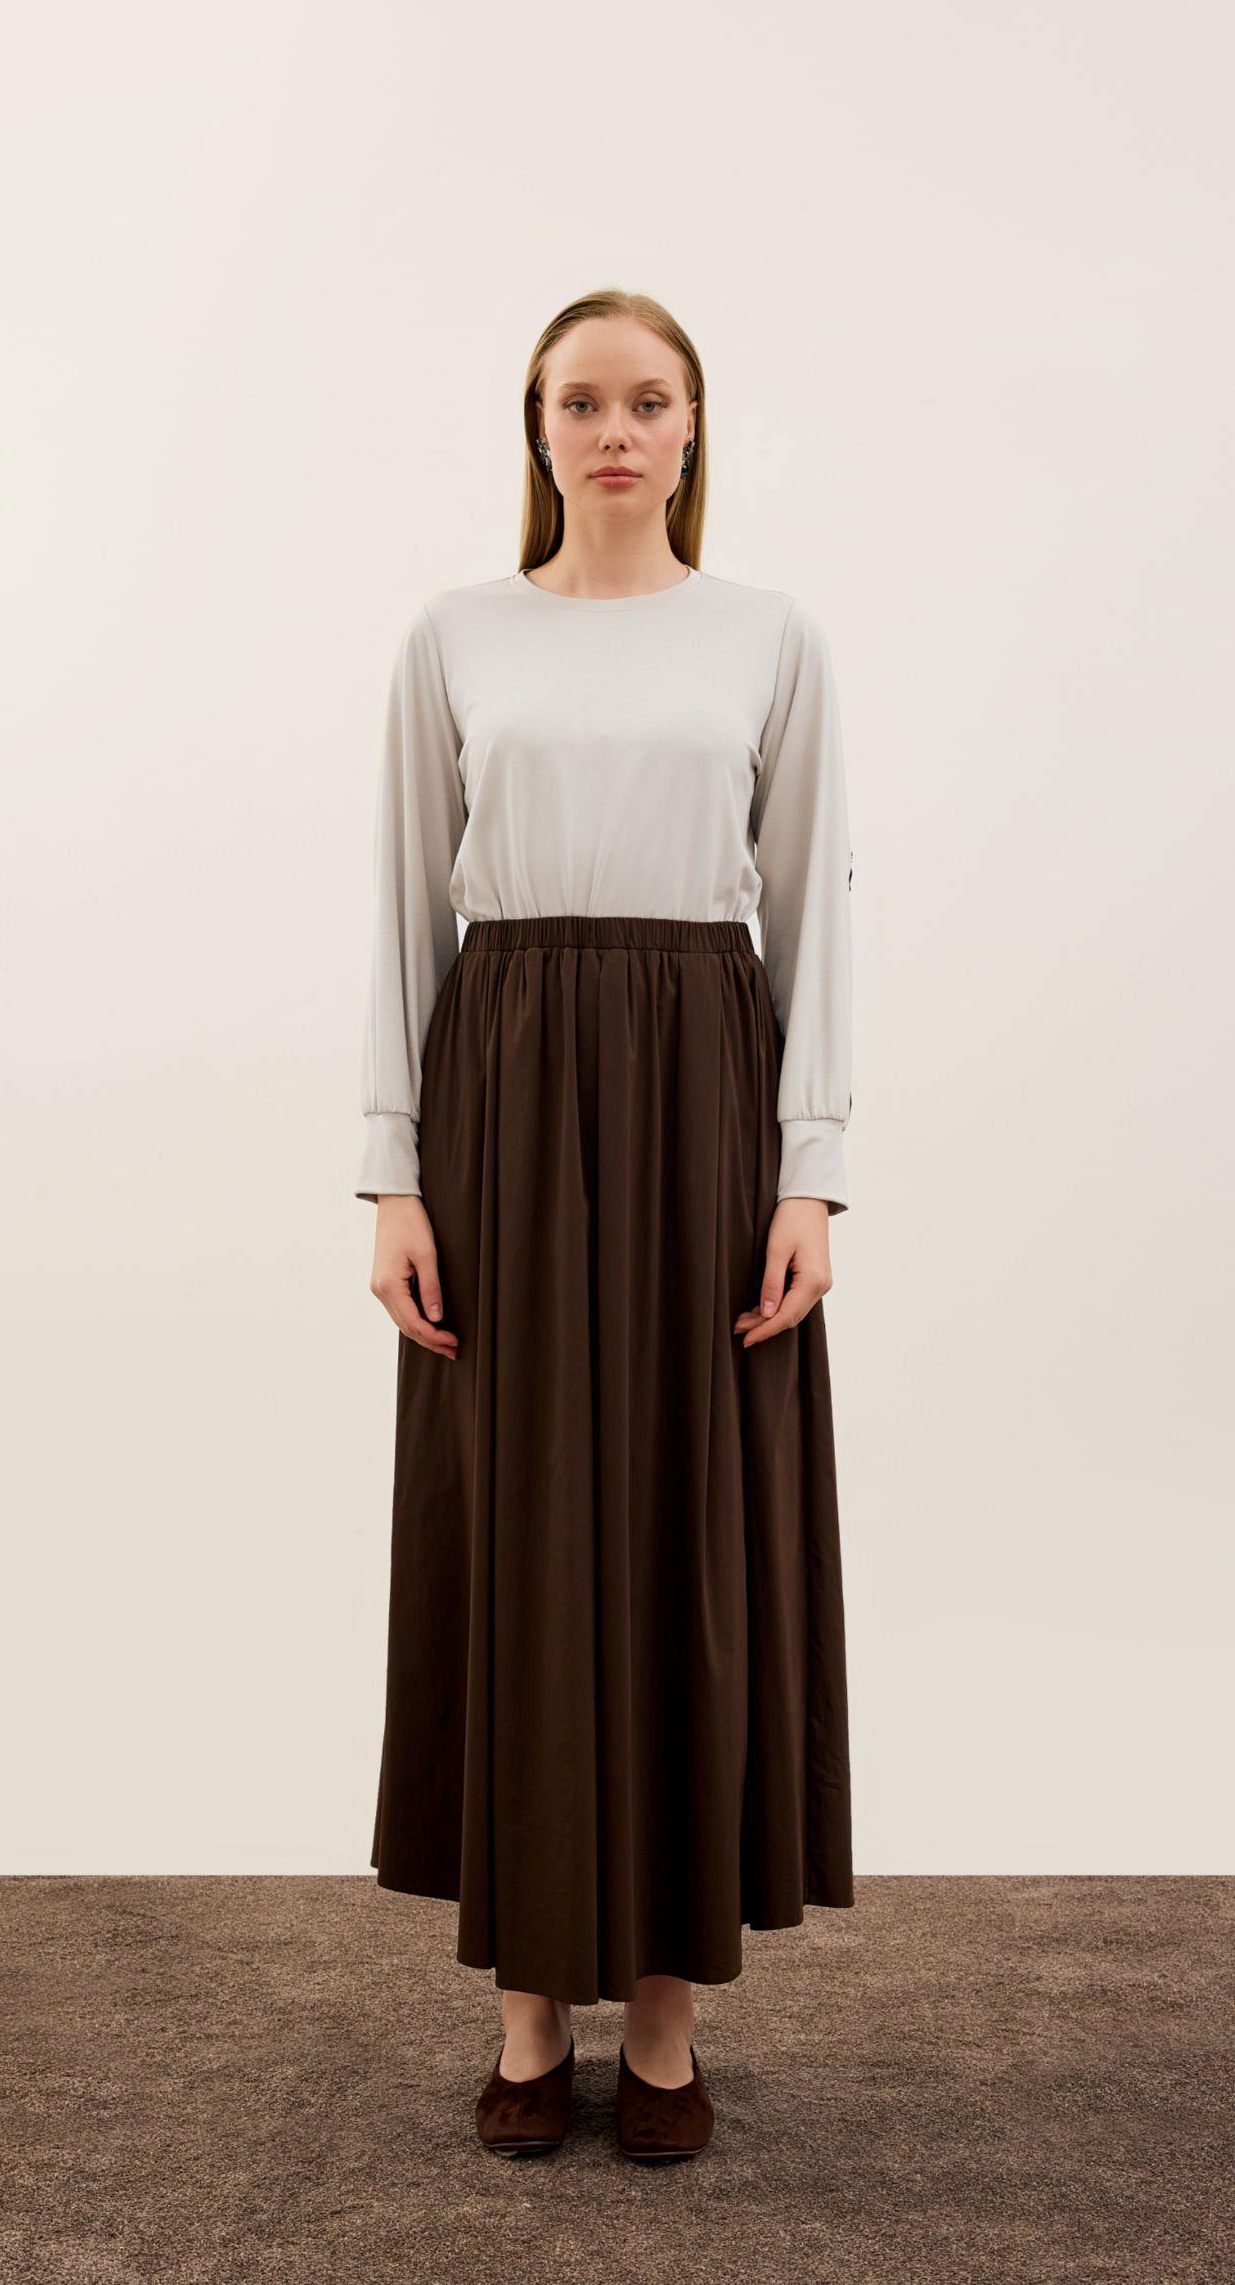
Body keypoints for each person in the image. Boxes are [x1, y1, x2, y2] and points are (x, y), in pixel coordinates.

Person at [357, 288, 855, 2160]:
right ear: (539, 427)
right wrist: (391, 1173)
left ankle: (659, 2015)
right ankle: (521, 2011)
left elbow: (812, 909)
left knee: (680, 1529)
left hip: (703, 1099)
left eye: (649, 400)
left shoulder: (769, 638)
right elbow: (400, 905)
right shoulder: (455, 636)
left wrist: (809, 1171)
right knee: (517, 1520)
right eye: (583, 402)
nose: (616, 431)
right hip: (499, 1095)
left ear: (695, 424)